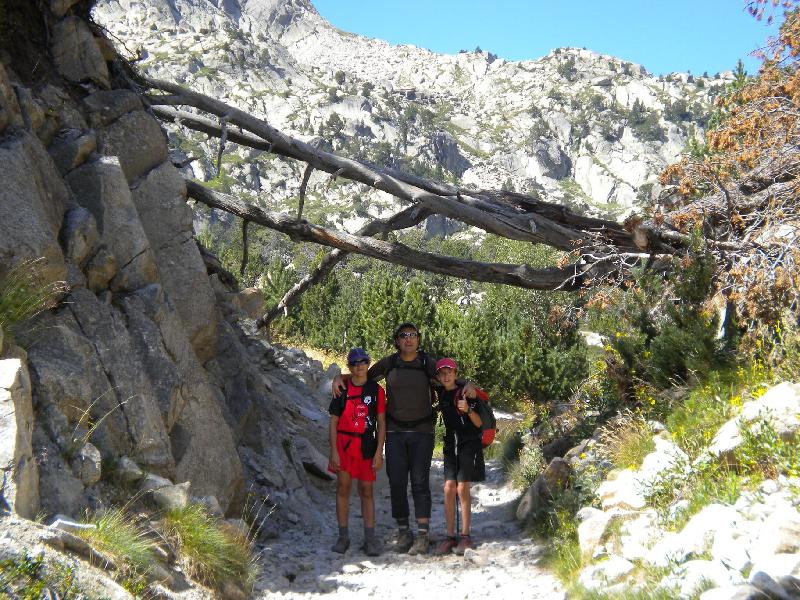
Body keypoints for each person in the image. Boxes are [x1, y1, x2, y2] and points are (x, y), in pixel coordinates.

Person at [332, 323, 480, 555]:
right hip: (394, 432)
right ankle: (404, 532)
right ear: (397, 340)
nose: (408, 339)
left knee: (420, 482)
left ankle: (422, 534)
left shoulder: (426, 364)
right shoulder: (389, 363)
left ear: (418, 339)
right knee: (397, 482)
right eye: (403, 336)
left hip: (422, 432)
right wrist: (338, 377)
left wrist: (467, 384)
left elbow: (447, 378)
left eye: (412, 335)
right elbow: (362, 376)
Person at [328, 347, 386, 556]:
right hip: (344, 445)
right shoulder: (341, 389)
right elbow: (333, 422)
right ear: (349, 367)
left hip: (367, 446)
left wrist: (379, 451)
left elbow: (381, 422)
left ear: (368, 364)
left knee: (366, 491)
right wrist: (333, 451)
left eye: (363, 361)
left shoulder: (377, 391)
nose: (359, 366)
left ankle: (370, 539)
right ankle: (343, 537)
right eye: (355, 363)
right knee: (343, 488)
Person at [432, 357, 485, 556]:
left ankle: (465, 535)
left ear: (456, 373)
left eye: (450, 372)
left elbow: (479, 423)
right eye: (442, 373)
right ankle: (449, 536)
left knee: (462, 487)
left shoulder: (466, 393)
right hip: (449, 444)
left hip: (467, 442)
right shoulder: (441, 392)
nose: (446, 376)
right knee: (448, 488)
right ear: (438, 377)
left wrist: (468, 409)